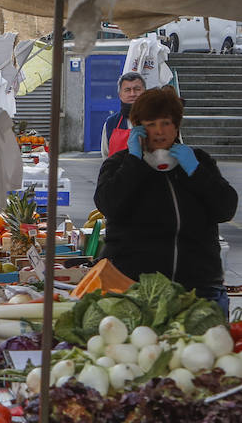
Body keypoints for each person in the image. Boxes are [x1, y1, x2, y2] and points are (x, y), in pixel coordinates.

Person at [94, 87, 237, 312]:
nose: (159, 131)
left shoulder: (199, 161)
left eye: (166, 123)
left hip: (198, 290)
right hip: (134, 290)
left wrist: (196, 171)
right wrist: (134, 163)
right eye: (151, 124)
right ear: (139, 128)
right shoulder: (119, 164)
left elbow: (225, 208)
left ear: (177, 125)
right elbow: (108, 203)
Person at [99, 72, 147, 158]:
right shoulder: (111, 123)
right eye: (127, 90)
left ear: (145, 92)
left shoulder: (159, 121)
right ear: (120, 95)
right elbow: (106, 156)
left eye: (137, 89)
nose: (132, 94)